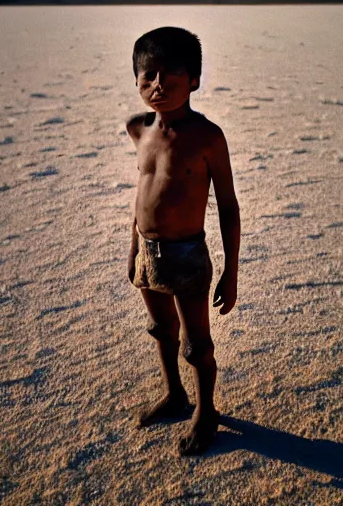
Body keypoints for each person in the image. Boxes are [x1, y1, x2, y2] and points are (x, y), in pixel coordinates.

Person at [126, 26, 241, 456]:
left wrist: (230, 272)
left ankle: (205, 411)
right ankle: (175, 395)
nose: (158, 86)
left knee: (196, 344)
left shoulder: (207, 137)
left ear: (193, 80)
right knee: (160, 328)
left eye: (170, 76)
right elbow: (141, 191)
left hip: (187, 253)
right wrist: (133, 247)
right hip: (148, 252)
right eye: (147, 75)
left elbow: (228, 206)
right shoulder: (138, 129)